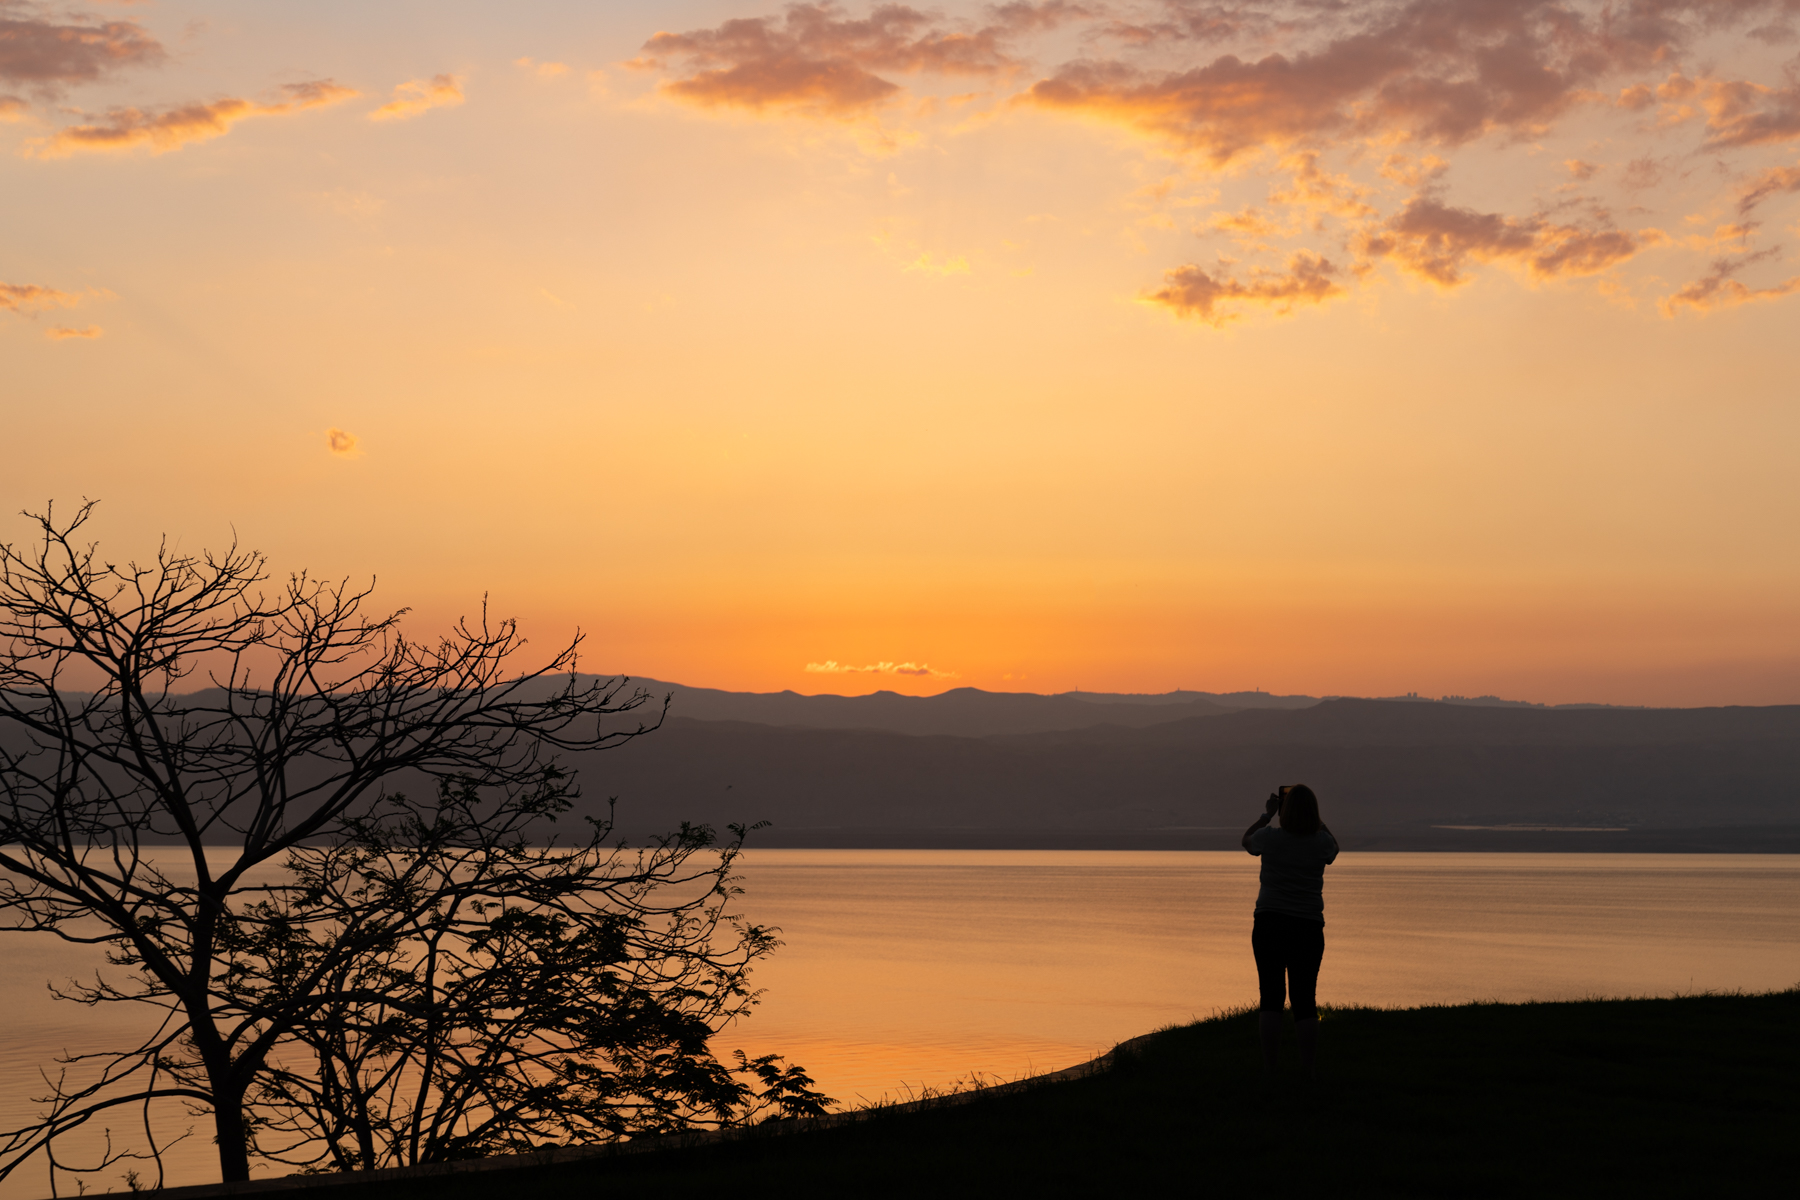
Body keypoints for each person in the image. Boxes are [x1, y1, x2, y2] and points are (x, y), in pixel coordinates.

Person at [1241, 784, 1338, 1076]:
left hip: (1270, 923)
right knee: (1304, 999)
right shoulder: (1320, 841)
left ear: (1283, 810)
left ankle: (1271, 1070)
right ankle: (1306, 1071)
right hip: (1308, 926)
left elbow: (1247, 841)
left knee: (1270, 997)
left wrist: (1266, 815)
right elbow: (1334, 849)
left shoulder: (1269, 838)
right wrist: (1317, 821)